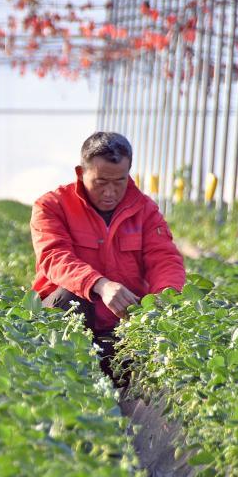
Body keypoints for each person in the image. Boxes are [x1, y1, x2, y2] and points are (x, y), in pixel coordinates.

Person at [30, 132, 185, 374]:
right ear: (81, 173)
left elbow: (164, 259)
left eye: (119, 181)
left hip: (120, 324)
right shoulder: (52, 206)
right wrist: (99, 285)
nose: (110, 192)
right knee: (67, 299)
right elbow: (54, 257)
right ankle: (60, 373)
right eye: (101, 182)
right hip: (71, 320)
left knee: (136, 361)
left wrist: (162, 301)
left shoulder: (145, 209)